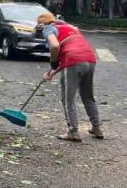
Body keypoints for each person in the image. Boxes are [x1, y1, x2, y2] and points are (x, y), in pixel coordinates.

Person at [36, 12, 103, 141]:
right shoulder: (70, 28)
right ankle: (97, 128)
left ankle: (73, 131)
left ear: (41, 25)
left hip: (74, 60)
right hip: (89, 59)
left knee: (68, 99)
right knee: (88, 96)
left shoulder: (48, 28)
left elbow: (55, 46)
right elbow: (67, 57)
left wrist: (53, 62)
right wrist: (51, 72)